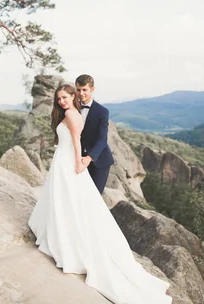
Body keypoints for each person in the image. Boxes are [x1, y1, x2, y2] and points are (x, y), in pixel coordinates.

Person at [28, 84, 172, 304]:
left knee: (68, 201)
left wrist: (79, 163)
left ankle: (66, 239)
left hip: (69, 163)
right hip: (62, 161)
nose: (62, 102)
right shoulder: (70, 112)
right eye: (59, 99)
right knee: (62, 200)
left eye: (65, 97)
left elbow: (76, 141)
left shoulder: (71, 114)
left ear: (74, 96)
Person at [75, 74, 114, 194]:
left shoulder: (102, 111)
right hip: (78, 160)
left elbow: (102, 139)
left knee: (94, 197)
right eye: (78, 90)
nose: (81, 93)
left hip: (99, 161)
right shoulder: (73, 108)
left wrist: (89, 158)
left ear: (92, 89)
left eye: (84, 90)